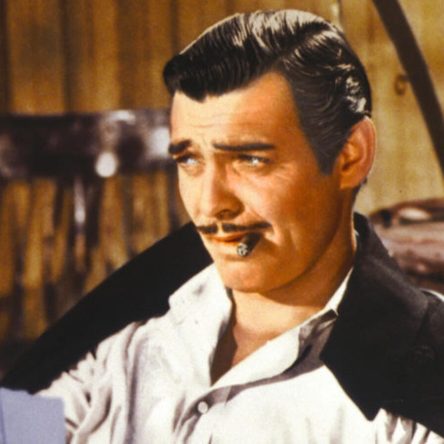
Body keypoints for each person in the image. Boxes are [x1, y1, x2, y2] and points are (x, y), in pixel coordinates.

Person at [3, 9, 444, 443]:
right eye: (189, 160)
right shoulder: (127, 340)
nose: (210, 204)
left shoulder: (413, 401)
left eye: (250, 159)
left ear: (350, 156)